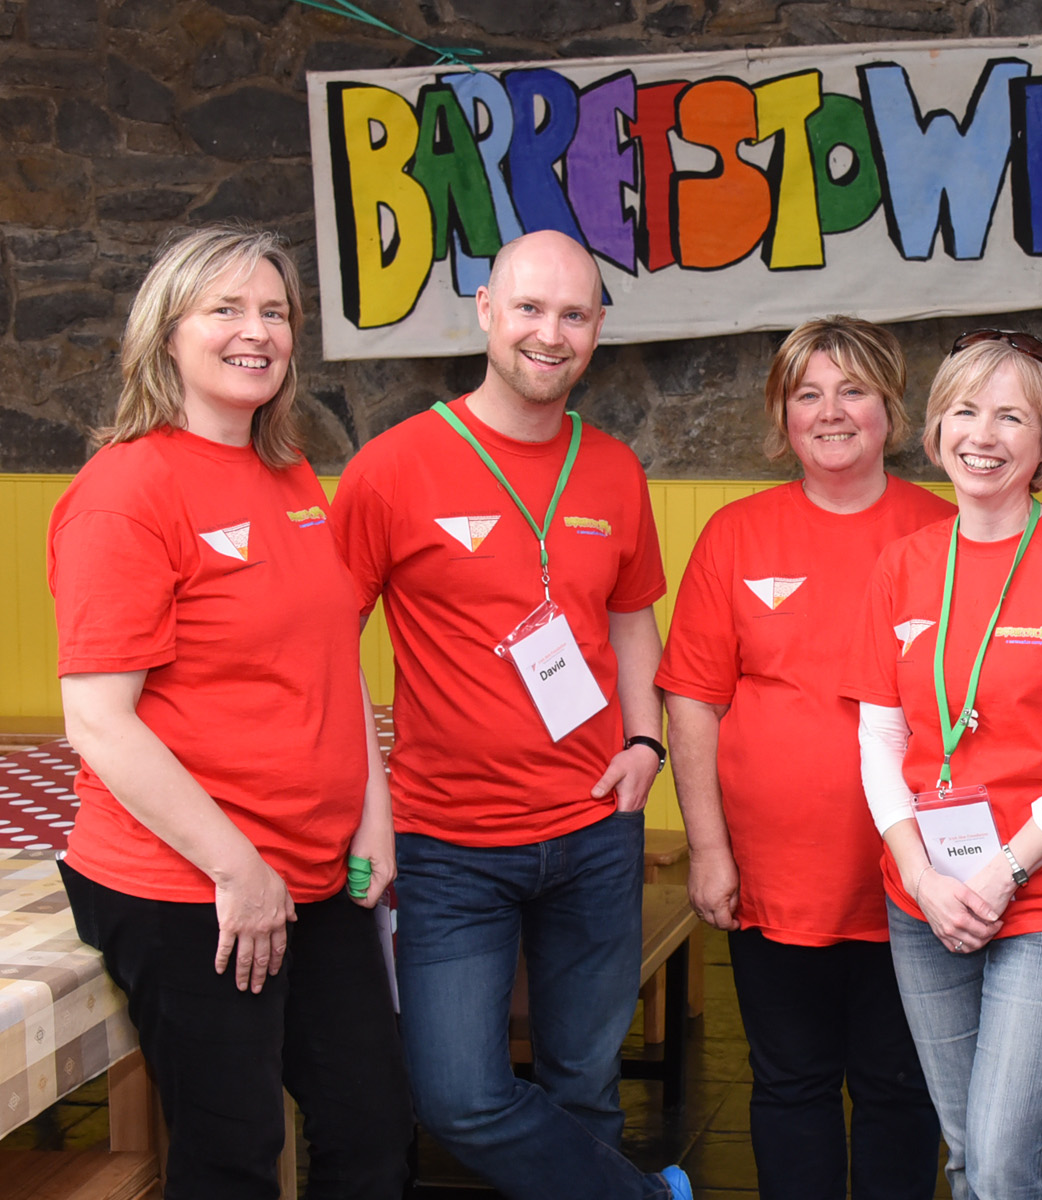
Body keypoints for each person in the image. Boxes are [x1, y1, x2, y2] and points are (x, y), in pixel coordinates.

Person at [48, 226, 412, 1198]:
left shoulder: (288, 472)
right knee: (233, 1160)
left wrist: (372, 812)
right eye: (225, 309)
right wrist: (237, 870)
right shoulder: (124, 491)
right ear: (166, 333)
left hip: (315, 873)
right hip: (191, 888)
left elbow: (332, 658)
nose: (257, 332)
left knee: (374, 1131)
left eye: (274, 312)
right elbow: (100, 722)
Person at [332, 231, 690, 1199]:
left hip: (596, 828)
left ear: (599, 329)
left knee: (585, 1089)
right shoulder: (392, 467)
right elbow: (325, 645)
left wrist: (646, 739)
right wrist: (370, 809)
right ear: (487, 311)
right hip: (448, 843)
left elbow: (631, 616)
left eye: (574, 315)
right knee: (457, 1098)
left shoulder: (612, 469)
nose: (550, 333)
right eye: (530, 308)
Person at [842, 329, 1042, 1200]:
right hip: (925, 896)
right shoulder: (903, 564)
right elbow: (879, 742)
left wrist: (1001, 873)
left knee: (998, 1154)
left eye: (1012, 416)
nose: (982, 435)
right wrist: (923, 877)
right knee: (964, 1151)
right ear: (936, 428)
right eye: (964, 411)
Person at [657, 318, 951, 1199]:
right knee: (792, 1085)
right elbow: (693, 700)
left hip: (919, 878)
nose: (830, 412)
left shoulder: (946, 532)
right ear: (781, 415)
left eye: (853, 390)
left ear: (891, 409)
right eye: (807, 393)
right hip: (777, 880)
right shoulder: (735, 535)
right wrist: (708, 849)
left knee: (903, 1091)